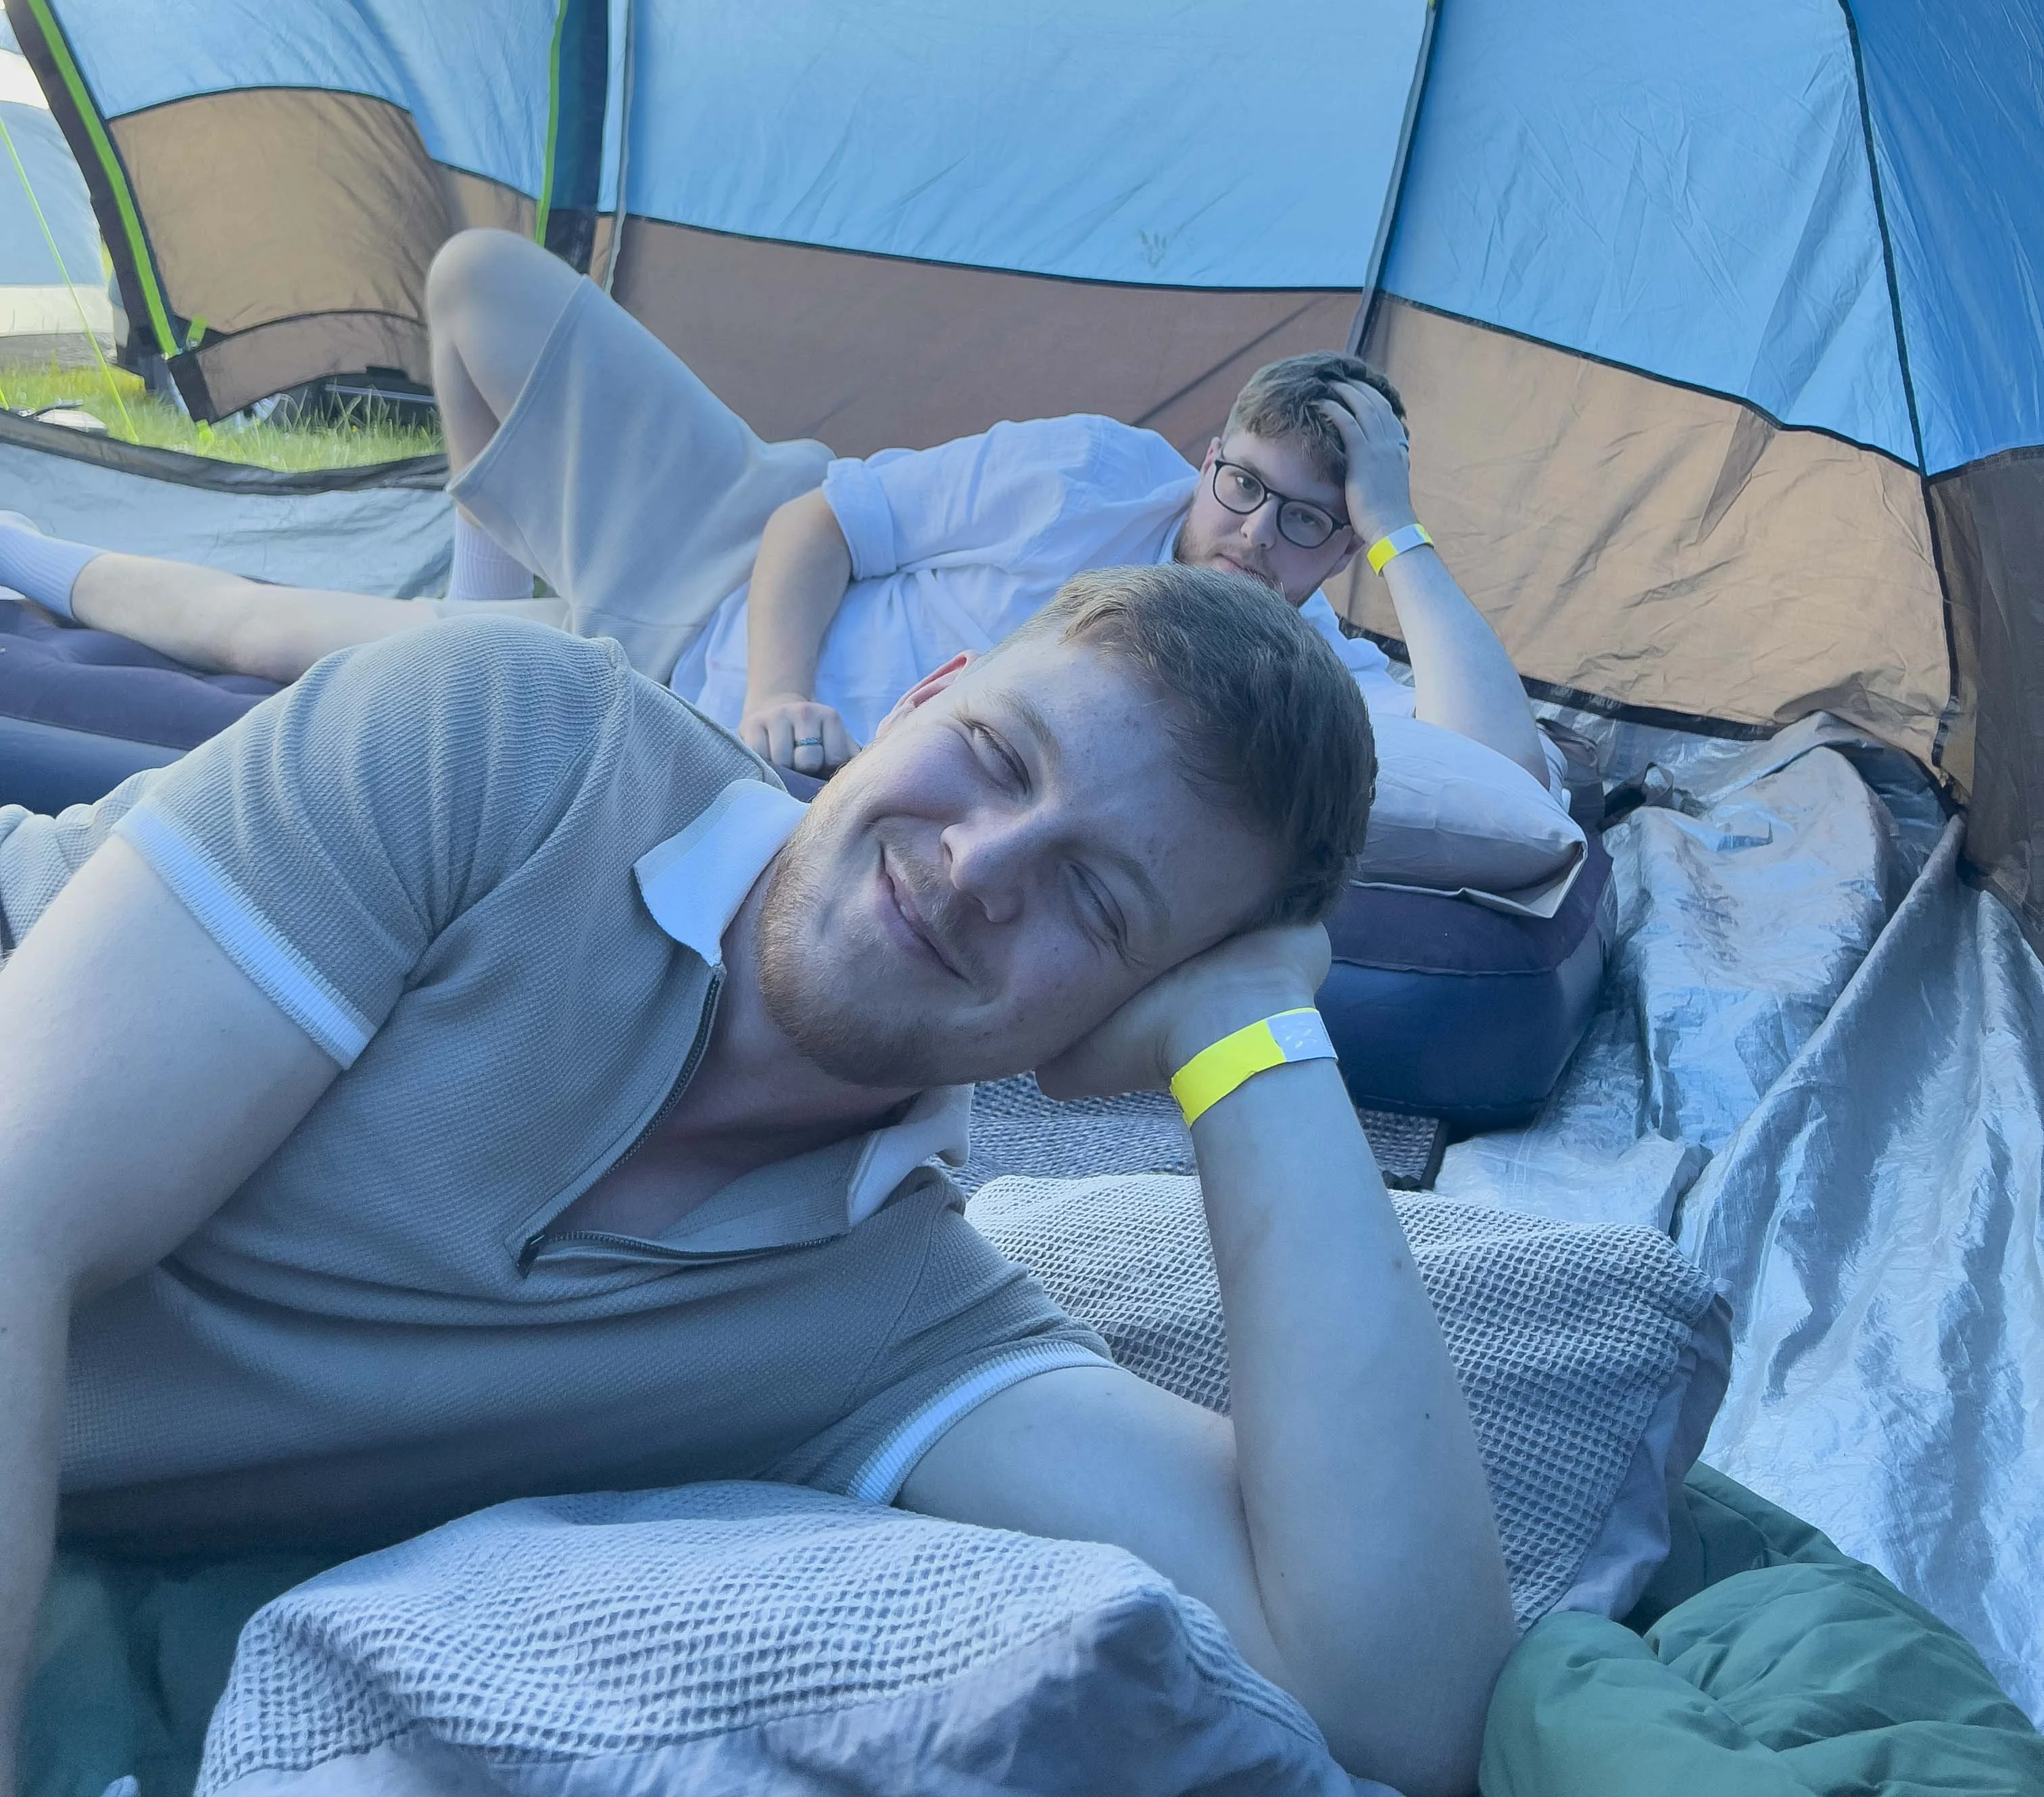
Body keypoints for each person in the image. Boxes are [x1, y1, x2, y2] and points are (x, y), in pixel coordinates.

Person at [0, 564, 1516, 1797]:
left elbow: (1392, 1696)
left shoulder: (892, 1320)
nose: (982, 865)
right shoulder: (518, 749)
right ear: (923, 697)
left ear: (1127, 1017)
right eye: (993, 756)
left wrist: (1252, 1050)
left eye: (1098, 901)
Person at [0, 232, 1553, 795]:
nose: (1246, 535)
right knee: (478, 281)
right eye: (1241, 487)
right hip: (728, 562)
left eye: (1303, 526)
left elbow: (1507, 778)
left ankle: (34, 563)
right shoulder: (1094, 473)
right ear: (1209, 455)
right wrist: (781, 692)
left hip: (641, 697)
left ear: (1344, 551)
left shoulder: (1309, 685)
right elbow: (819, 526)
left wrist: (1403, 526)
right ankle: (482, 598)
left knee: (273, 638)